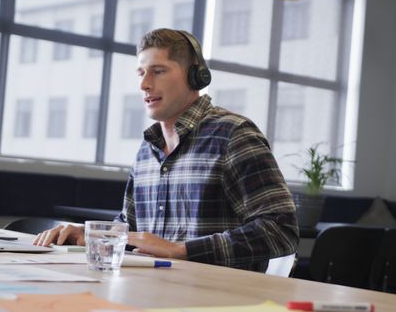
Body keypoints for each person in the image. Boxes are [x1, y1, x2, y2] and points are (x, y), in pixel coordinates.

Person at [34, 28, 299, 272]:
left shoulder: (232, 134)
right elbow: (132, 230)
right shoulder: (147, 150)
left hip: (216, 298)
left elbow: (281, 230)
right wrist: (90, 234)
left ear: (195, 76)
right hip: (150, 292)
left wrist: (182, 251)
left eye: (158, 71)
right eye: (141, 73)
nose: (144, 84)